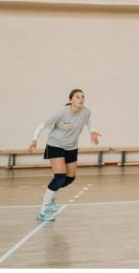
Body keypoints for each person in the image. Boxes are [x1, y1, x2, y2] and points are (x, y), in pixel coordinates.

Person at [29, 89, 101, 221]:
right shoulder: (61, 112)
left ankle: (49, 194)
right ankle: (44, 209)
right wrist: (34, 139)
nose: (81, 99)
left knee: (70, 178)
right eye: (77, 97)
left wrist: (93, 131)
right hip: (55, 144)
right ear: (70, 100)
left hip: (71, 146)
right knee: (59, 176)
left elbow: (87, 120)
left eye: (83, 97)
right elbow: (42, 125)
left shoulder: (86, 111)